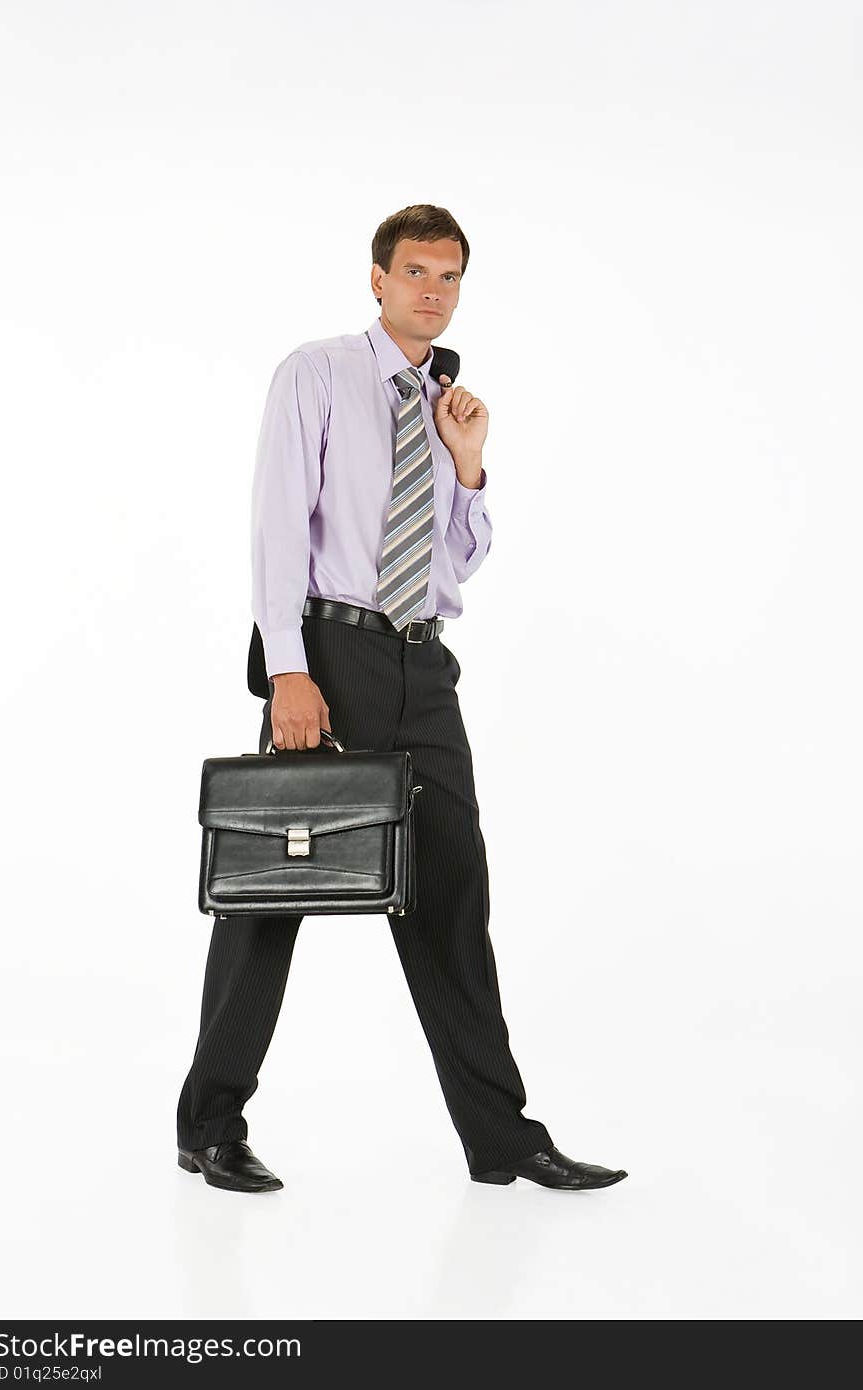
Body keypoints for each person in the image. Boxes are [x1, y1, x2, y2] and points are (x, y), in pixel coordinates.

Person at [176, 203, 628, 1195]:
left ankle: (503, 1138)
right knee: (270, 891)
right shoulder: (319, 372)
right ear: (376, 278)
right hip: (331, 656)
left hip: (426, 668)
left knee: (454, 898)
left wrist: (467, 467)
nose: (433, 290)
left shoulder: (445, 401)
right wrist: (288, 667)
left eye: (450, 276)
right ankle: (209, 1125)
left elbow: (456, 562)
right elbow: (276, 524)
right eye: (415, 271)